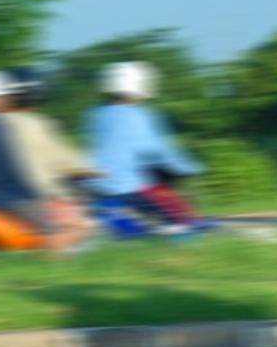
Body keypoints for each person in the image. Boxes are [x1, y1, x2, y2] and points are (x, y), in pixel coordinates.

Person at [86, 61, 205, 231]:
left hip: (94, 187)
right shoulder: (140, 116)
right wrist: (190, 167)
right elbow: (161, 153)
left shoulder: (94, 114)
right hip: (128, 189)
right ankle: (180, 218)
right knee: (184, 219)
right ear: (137, 85)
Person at [0, 67, 96, 249]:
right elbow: (75, 166)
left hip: (7, 201)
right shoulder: (39, 124)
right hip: (32, 199)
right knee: (83, 227)